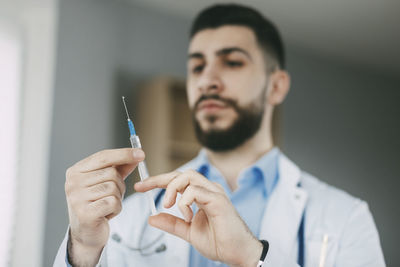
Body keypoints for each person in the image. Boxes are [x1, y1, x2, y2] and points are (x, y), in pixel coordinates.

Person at [54, 4, 385, 267]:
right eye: (197, 67)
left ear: (276, 85)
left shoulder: (345, 218)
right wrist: (82, 249)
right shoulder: (136, 214)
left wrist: (253, 258)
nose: (208, 80)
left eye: (232, 62)